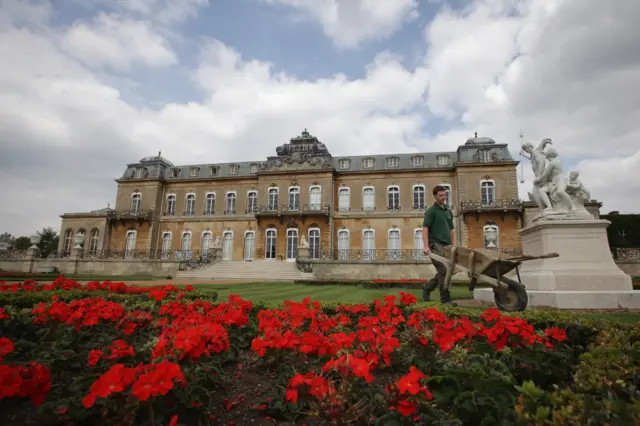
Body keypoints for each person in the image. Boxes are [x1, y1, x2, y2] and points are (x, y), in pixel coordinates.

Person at [422, 185, 457, 306]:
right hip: (434, 244)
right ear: (435, 196)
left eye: (444, 195)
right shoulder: (431, 211)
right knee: (444, 269)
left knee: (447, 270)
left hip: (446, 246)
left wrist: (453, 246)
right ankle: (445, 299)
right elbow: (425, 229)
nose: (443, 197)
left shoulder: (448, 211)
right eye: (440, 195)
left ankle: (427, 287)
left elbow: (451, 230)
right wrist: (426, 246)